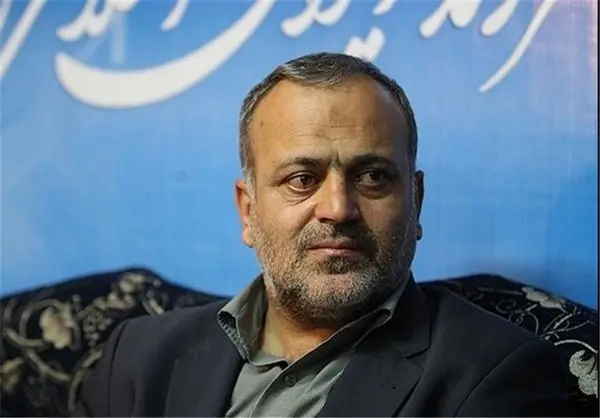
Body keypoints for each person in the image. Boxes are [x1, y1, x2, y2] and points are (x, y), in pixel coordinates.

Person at [74, 52, 570, 417]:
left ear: (415, 201)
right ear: (248, 211)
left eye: (372, 176)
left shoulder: (493, 376)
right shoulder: (137, 360)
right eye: (301, 179)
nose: (337, 209)